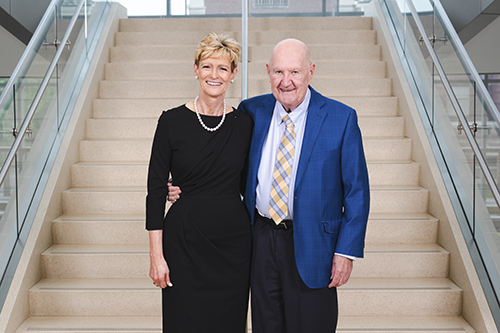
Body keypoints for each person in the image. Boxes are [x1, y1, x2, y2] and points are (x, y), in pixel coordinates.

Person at [169, 38, 370, 333]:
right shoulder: (252, 112)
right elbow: (223, 161)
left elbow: (357, 191)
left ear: (311, 72)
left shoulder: (341, 118)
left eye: (295, 72)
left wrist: (345, 252)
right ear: (267, 71)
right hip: (260, 237)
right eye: (278, 72)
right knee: (266, 325)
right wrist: (185, 185)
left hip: (314, 242)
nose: (285, 81)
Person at [146, 32, 253, 333]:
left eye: (223, 68)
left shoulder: (244, 124)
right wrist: (157, 256)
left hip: (233, 247)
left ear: (233, 75)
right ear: (196, 70)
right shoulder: (171, 121)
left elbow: (249, 182)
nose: (214, 75)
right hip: (183, 244)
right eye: (207, 66)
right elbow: (155, 191)